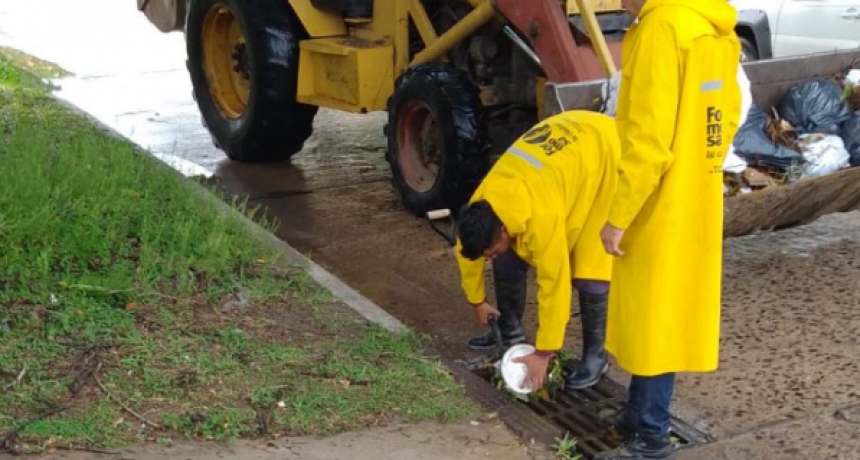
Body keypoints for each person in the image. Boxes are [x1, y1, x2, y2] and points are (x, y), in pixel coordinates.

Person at [597, 0, 743, 458]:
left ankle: (651, 436)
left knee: (655, 318)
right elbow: (730, 109)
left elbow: (649, 139)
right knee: (663, 314)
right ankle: (638, 415)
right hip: (695, 192)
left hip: (657, 200)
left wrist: (618, 216)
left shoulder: (661, 30)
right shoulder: (706, 23)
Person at [455, 110, 620, 392]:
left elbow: (554, 285)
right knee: (506, 260)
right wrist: (477, 301)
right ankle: (510, 332)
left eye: (490, 251)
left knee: (589, 269)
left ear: (504, 230)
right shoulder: (484, 203)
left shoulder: (541, 219)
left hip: (603, 152)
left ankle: (596, 356)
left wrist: (545, 352)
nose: (488, 257)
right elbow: (466, 251)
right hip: (565, 146)